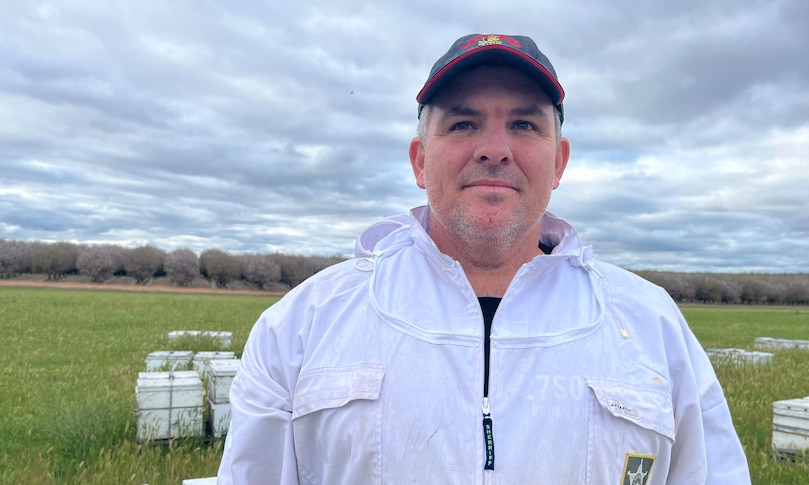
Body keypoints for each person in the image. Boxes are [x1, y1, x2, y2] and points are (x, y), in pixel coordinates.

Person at [217, 33, 751, 484]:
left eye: (524, 125)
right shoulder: (302, 327)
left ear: (559, 161)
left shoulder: (653, 328)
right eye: (463, 124)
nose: (494, 148)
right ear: (420, 159)